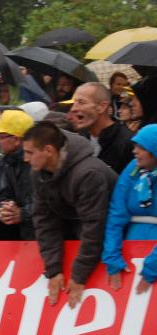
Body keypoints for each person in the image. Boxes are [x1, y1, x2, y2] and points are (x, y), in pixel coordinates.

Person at [24, 121, 118, 308]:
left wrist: (79, 275)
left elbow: (94, 226)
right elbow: (43, 221)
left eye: (29, 152)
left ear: (49, 150)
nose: (25, 159)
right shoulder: (38, 174)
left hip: (113, 236)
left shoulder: (88, 173)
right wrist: (53, 269)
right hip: (78, 229)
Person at [103, 124, 157, 293]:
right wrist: (112, 257)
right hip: (130, 248)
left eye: (141, 147)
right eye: (135, 146)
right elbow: (116, 214)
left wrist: (151, 269)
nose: (135, 151)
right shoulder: (133, 169)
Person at [0, 109, 36, 239]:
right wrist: (6, 207)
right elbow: (3, 194)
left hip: (46, 237)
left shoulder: (37, 163)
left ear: (16, 139)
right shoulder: (9, 162)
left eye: (0, 136)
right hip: (24, 236)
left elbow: (49, 203)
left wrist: (22, 213)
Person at [71, 82, 133, 173]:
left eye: (81, 102)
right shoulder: (80, 139)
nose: (73, 109)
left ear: (101, 107)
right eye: (74, 102)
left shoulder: (127, 142)